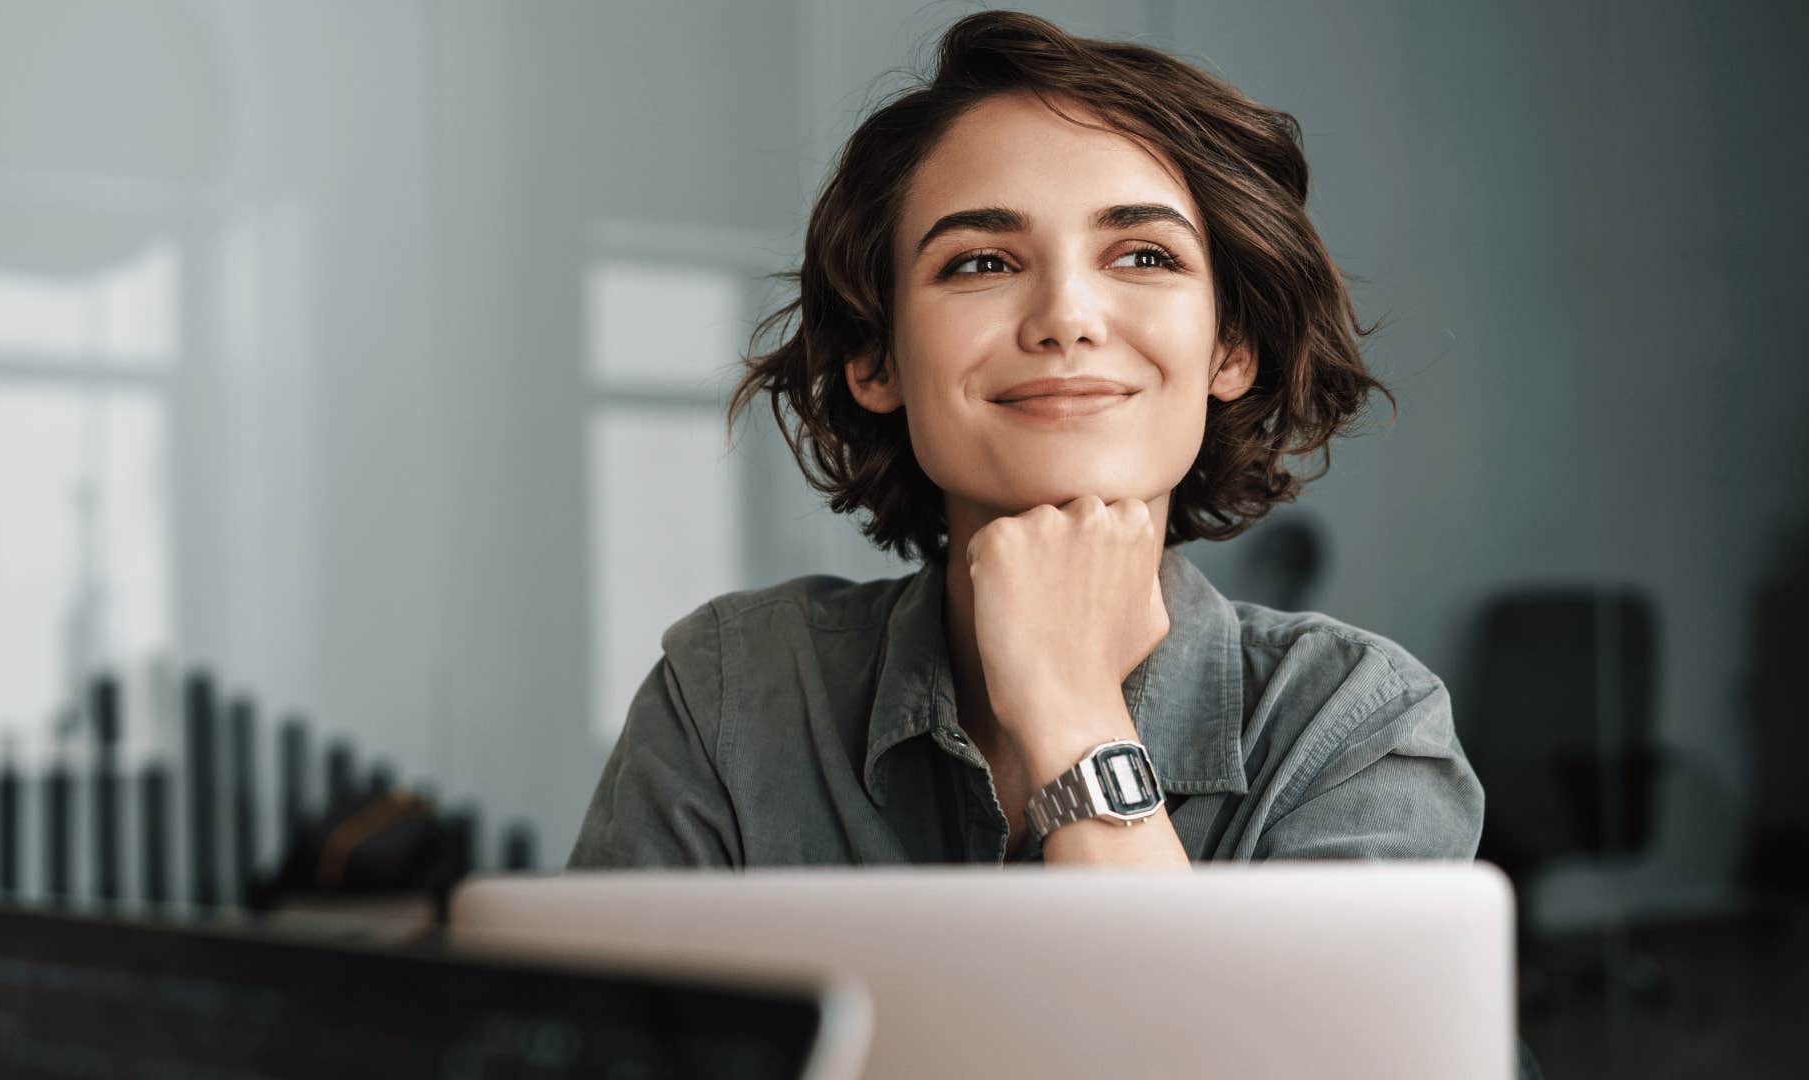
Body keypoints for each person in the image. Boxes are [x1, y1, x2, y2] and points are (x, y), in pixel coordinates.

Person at [567, 10, 1482, 871]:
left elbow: (1216, 1049)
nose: (1066, 319)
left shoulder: (1356, 727)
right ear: (875, 358)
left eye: (1144, 256)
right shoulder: (729, 694)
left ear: (1230, 347)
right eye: (981, 263)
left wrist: (1071, 708)